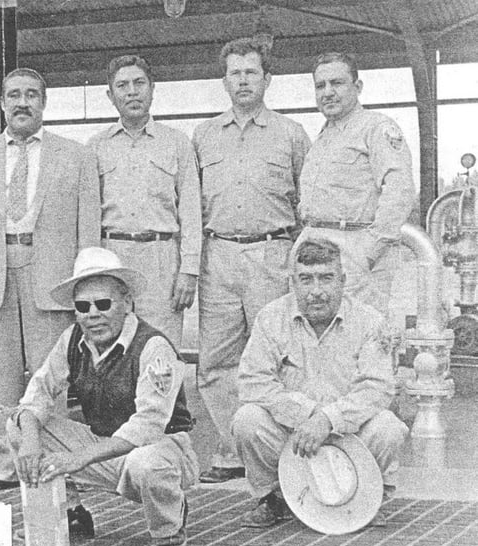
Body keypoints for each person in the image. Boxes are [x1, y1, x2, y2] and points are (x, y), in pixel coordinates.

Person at [0, 67, 101, 493]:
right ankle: (2, 465)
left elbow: (88, 228)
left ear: (43, 102)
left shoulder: (76, 156)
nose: (22, 102)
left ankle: (54, 464)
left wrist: (86, 286)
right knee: (3, 378)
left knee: (50, 377)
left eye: (32, 94)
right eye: (14, 95)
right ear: (1, 103)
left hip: (51, 279)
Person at [7, 247, 197, 546]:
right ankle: (68, 514)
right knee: (19, 425)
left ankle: (169, 523)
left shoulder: (153, 346)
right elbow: (38, 392)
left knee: (145, 462)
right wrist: (29, 441)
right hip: (102, 444)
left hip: (162, 450)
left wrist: (78, 458)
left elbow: (147, 427)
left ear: (126, 303)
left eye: (103, 303)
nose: (92, 314)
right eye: (83, 306)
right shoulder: (72, 338)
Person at [192, 38, 311, 484]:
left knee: (275, 357)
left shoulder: (291, 134)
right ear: (224, 81)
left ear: (268, 79)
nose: (243, 80)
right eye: (235, 73)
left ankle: (277, 451)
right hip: (217, 253)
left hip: (272, 253)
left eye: (251, 72)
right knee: (216, 361)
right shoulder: (203, 135)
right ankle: (232, 449)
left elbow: (308, 203)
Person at [232, 238, 408, 527]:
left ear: (343, 280)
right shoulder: (270, 318)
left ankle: (370, 498)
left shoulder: (370, 321)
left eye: (326, 278)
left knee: (388, 428)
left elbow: (377, 389)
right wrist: (307, 415)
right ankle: (274, 499)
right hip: (294, 435)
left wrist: (328, 419)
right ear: (293, 282)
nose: (316, 291)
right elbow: (252, 381)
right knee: (247, 421)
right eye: (306, 279)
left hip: (350, 434)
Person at [88, 55, 202, 348]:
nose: (132, 92)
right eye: (122, 85)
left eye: (139, 83)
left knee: (162, 351)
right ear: (110, 95)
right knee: (111, 351)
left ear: (153, 88)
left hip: (161, 260)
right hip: (112, 259)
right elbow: (86, 216)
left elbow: (191, 212)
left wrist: (189, 270)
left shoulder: (177, 143)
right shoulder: (95, 147)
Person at [298, 51, 415, 316]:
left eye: (337, 83)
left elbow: (400, 189)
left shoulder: (376, 128)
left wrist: (368, 252)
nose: (327, 92)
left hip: (356, 255)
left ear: (358, 87)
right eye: (320, 85)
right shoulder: (323, 138)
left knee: (358, 341)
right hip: (316, 254)